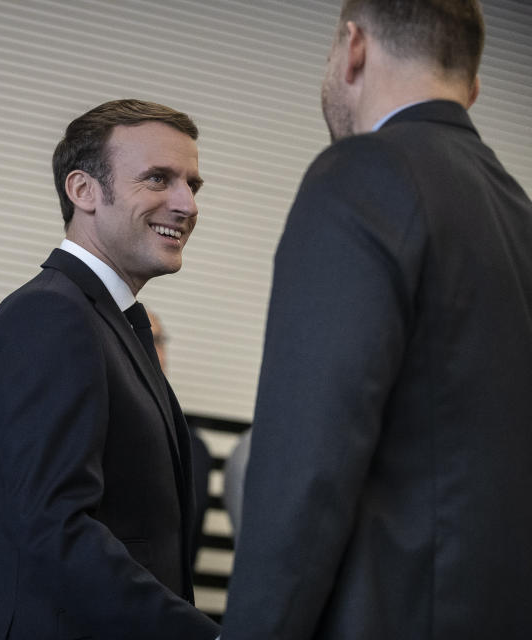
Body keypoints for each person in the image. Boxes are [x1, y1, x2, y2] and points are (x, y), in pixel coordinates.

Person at [223, 1, 532, 638]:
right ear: (471, 87)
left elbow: (303, 469)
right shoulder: (518, 213)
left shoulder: (361, 174)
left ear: (353, 48)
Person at [0, 99, 221, 639]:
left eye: (192, 185)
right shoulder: (52, 314)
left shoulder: (109, 320)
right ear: (82, 191)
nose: (185, 204)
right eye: (158, 179)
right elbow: (56, 529)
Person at [147, 308, 214, 568]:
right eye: (137, 336)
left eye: (157, 340)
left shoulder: (193, 450)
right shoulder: (94, 433)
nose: (152, 351)